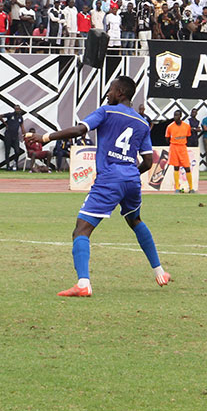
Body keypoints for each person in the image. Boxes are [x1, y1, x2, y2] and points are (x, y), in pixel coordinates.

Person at [24, 76, 171, 297]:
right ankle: (160, 271)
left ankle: (83, 283)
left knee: (81, 230)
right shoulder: (142, 122)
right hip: (131, 180)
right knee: (135, 220)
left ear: (120, 92)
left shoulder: (106, 111)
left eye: (111, 90)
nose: (108, 94)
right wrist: (128, 174)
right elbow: (149, 162)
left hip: (109, 179)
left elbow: (78, 131)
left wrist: (44, 138)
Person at [165, 110, 195, 193]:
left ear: (181, 116)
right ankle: (177, 188)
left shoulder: (186, 126)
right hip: (174, 147)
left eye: (177, 115)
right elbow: (167, 138)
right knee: (176, 167)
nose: (175, 117)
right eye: (174, 115)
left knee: (187, 167)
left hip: (182, 147)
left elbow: (188, 136)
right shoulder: (170, 126)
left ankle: (191, 187)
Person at [0, 104, 25, 170]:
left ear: (20, 109)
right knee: (7, 151)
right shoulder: (10, 115)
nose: (17, 110)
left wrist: (24, 134)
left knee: (17, 151)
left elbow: (22, 126)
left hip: (15, 136)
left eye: (18, 109)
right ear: (14, 109)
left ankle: (15, 164)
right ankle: (8, 166)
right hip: (8, 135)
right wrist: (5, 124)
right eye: (16, 109)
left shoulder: (20, 117)